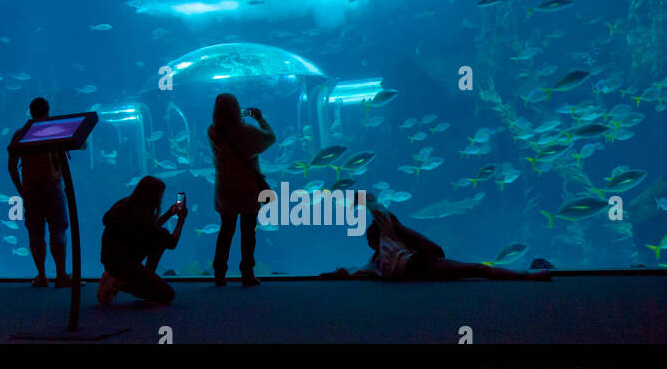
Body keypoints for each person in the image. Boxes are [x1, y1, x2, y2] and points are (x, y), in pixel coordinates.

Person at [320, 198, 551, 281]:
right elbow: (361, 272)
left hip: (421, 263)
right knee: (475, 270)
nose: (367, 237)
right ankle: (525, 275)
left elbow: (375, 205)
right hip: (416, 269)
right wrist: (341, 275)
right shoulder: (376, 260)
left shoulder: (388, 237)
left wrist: (355, 201)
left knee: (476, 269)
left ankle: (525, 276)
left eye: (371, 232)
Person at [208, 92, 275, 287]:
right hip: (247, 188)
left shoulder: (212, 131)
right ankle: (247, 273)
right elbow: (270, 138)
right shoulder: (248, 132)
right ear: (237, 109)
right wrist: (260, 119)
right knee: (248, 232)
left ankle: (219, 274)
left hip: (225, 188)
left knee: (225, 231)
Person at [7, 97, 71, 288]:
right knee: (58, 228)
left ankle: (42, 275)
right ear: (48, 110)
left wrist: (21, 189)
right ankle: (61, 275)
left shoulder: (20, 134)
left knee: (35, 232)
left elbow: (11, 167)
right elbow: (63, 161)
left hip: (30, 190)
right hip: (53, 186)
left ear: (31, 111)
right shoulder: (54, 132)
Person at [97, 175, 187, 305]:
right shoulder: (143, 219)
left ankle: (131, 276)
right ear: (154, 197)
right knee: (168, 294)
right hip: (124, 264)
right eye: (160, 196)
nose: (161, 199)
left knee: (158, 240)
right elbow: (172, 243)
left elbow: (150, 230)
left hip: (110, 258)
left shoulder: (126, 205)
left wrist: (168, 214)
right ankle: (116, 283)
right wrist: (181, 220)